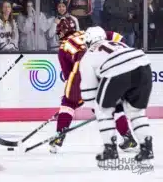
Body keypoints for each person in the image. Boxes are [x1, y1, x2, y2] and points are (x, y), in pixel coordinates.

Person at [50, 21, 137, 153]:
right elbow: (117, 37)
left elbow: (69, 75)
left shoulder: (63, 47)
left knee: (68, 102)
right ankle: (127, 136)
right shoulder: (90, 33)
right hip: (104, 66)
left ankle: (59, 136)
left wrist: (76, 98)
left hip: (83, 66)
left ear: (62, 32)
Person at [80, 26, 153, 162]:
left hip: (116, 69)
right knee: (136, 112)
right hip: (143, 64)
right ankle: (147, 148)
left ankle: (110, 149)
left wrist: (99, 109)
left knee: (102, 109)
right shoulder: (119, 44)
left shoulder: (88, 56)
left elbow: (89, 93)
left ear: (88, 41)